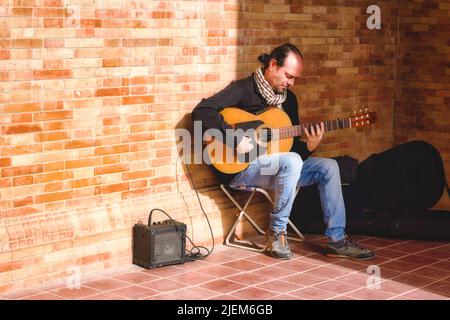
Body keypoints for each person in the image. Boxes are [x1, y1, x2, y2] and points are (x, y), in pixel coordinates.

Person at [192, 43, 375, 261]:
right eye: (288, 76)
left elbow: (289, 150)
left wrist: (309, 146)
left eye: (295, 78)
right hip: (240, 169)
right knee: (292, 161)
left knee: (329, 167)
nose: (291, 83)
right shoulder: (243, 89)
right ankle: (277, 232)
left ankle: (337, 240)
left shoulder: (289, 101)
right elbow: (201, 111)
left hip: (276, 168)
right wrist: (233, 139)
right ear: (272, 65)